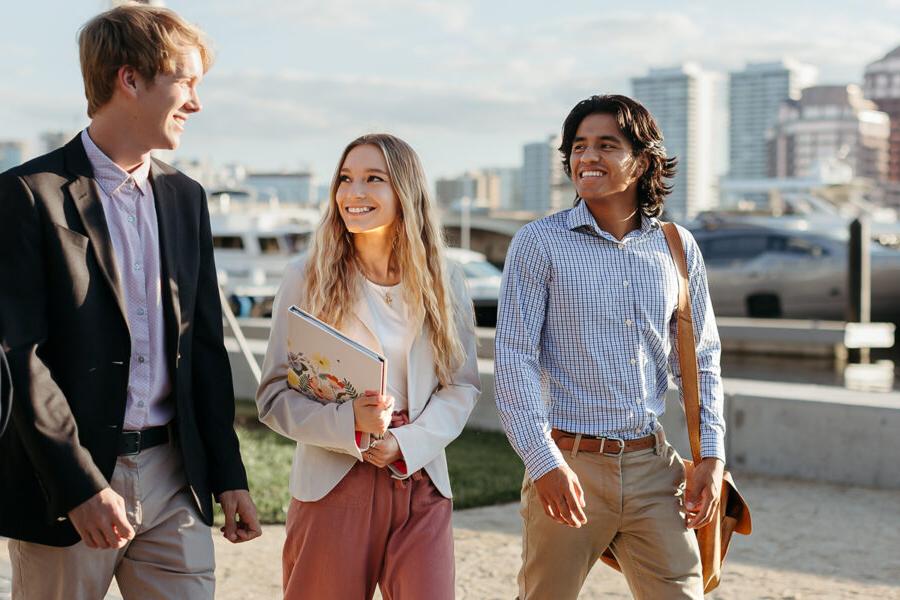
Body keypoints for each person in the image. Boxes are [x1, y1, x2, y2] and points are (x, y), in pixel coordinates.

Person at [0, 5, 261, 599]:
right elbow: (18, 358)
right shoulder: (25, 196)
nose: (196, 103)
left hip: (175, 477)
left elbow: (204, 347)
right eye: (186, 82)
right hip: (69, 488)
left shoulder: (185, 197)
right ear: (130, 79)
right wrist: (77, 485)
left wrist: (227, 474)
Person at [494, 94, 726, 600]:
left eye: (605, 145)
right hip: (568, 464)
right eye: (579, 146)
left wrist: (711, 454)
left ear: (642, 162)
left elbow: (701, 358)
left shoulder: (677, 247)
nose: (587, 157)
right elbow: (514, 357)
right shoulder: (539, 243)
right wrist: (543, 461)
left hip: (653, 468)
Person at [257, 133, 480, 600]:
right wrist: (349, 425)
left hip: (419, 476)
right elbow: (274, 396)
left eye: (373, 179)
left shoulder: (446, 279)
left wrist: (405, 442)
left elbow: (461, 387)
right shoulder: (305, 276)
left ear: (406, 191)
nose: (353, 193)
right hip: (335, 480)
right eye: (345, 179)